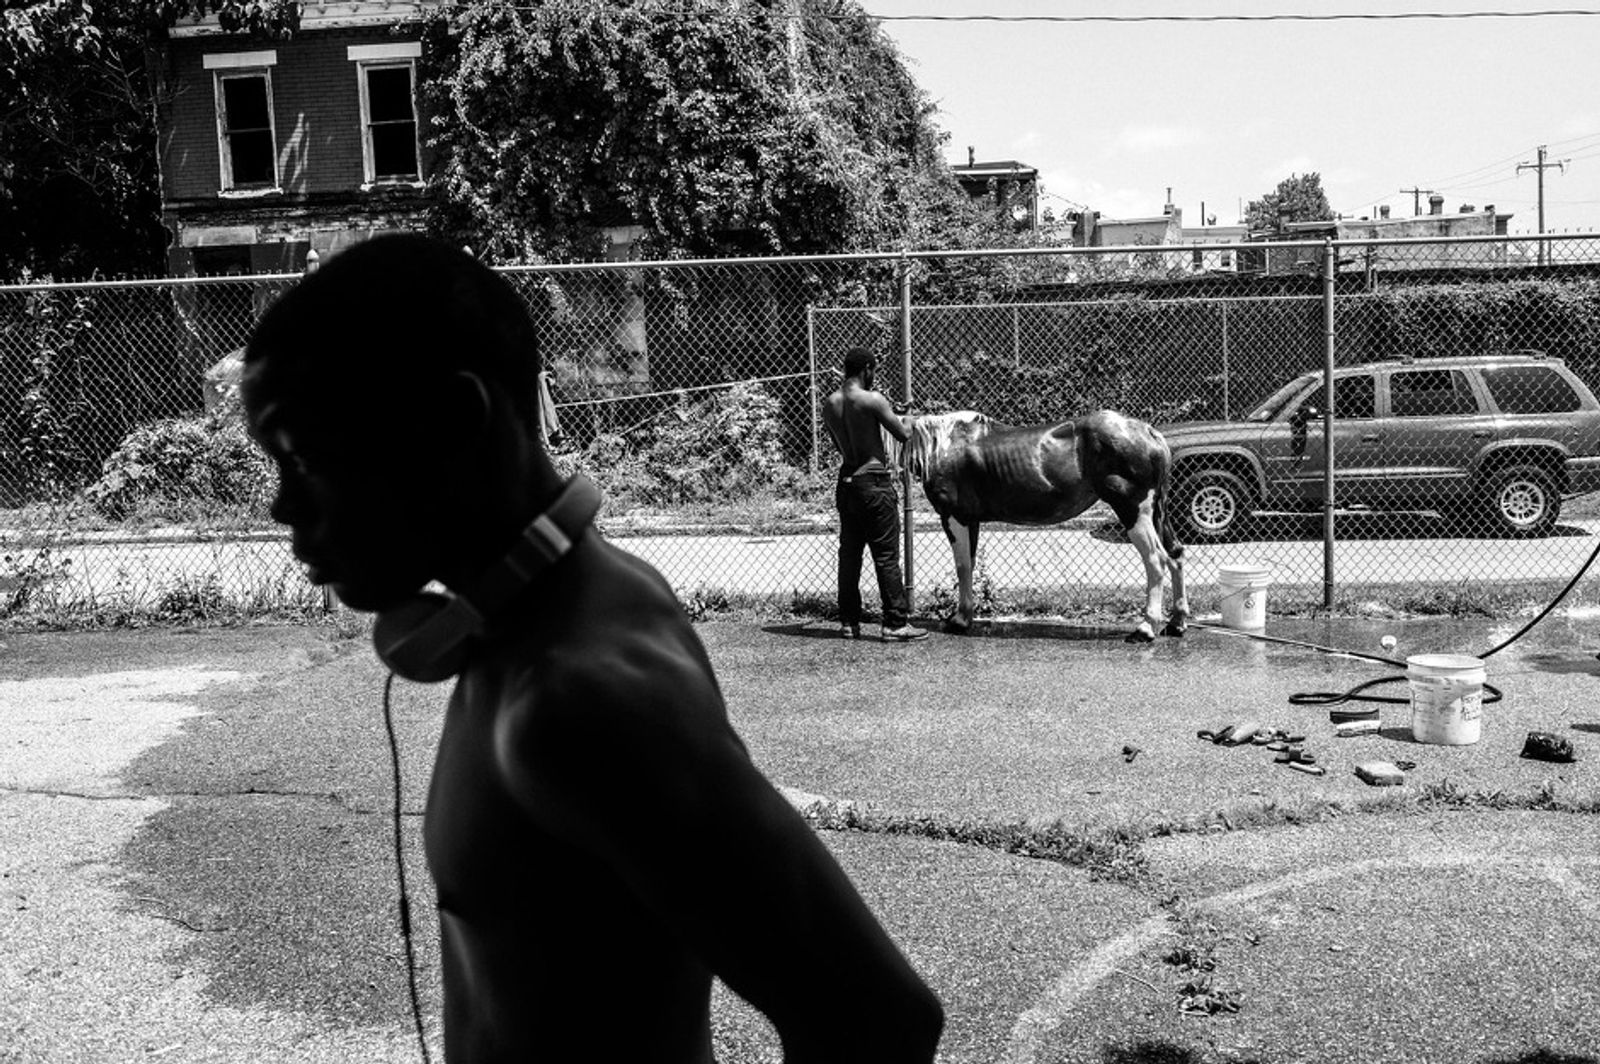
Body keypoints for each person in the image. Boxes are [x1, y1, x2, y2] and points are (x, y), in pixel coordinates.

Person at [241, 235, 943, 1064]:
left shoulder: (578, 696)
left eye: (303, 459)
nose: (282, 508)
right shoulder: (528, 619)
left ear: (455, 420)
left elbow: (876, 1022)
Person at [822, 346, 929, 642]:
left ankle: (849, 622)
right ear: (867, 369)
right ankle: (895, 624)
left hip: (846, 483)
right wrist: (908, 417)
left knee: (850, 555)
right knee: (885, 556)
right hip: (873, 483)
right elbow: (903, 434)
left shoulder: (829, 403)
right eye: (873, 371)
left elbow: (839, 444)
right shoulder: (873, 399)